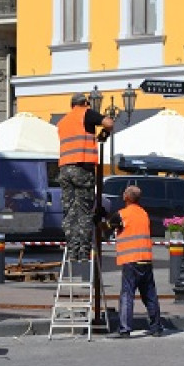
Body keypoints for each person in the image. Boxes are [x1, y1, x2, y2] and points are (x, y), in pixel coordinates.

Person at [57, 92, 114, 264]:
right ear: (85, 103)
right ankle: (83, 252)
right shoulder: (86, 113)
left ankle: (72, 250)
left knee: (69, 211)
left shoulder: (63, 122)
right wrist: (104, 133)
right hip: (82, 168)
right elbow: (109, 123)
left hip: (65, 169)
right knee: (84, 211)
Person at [106, 186, 162, 338]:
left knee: (127, 295)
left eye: (124, 193)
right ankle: (156, 327)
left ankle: (125, 329)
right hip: (145, 259)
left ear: (126, 197)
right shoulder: (143, 213)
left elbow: (108, 226)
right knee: (150, 295)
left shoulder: (123, 214)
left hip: (131, 260)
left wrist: (102, 218)